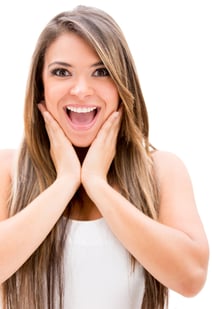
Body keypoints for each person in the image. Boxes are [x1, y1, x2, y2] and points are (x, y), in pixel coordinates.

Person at [0, 5, 209, 309]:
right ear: (40, 88)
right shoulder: (9, 170)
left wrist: (97, 183)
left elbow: (191, 278)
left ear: (122, 84)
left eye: (101, 72)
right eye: (62, 72)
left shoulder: (161, 170)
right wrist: (66, 182)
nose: (82, 89)